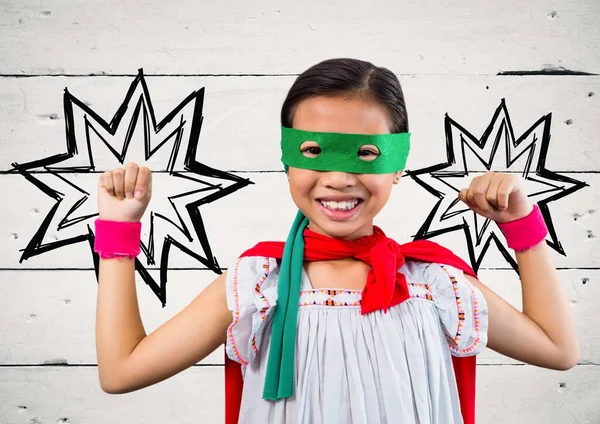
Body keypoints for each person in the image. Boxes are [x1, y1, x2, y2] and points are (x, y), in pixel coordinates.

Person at [94, 58, 579, 424]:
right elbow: (121, 373)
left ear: (398, 165)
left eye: (367, 154)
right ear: (286, 160)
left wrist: (522, 224)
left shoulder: (433, 281)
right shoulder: (256, 283)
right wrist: (119, 229)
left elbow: (558, 350)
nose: (339, 176)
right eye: (314, 152)